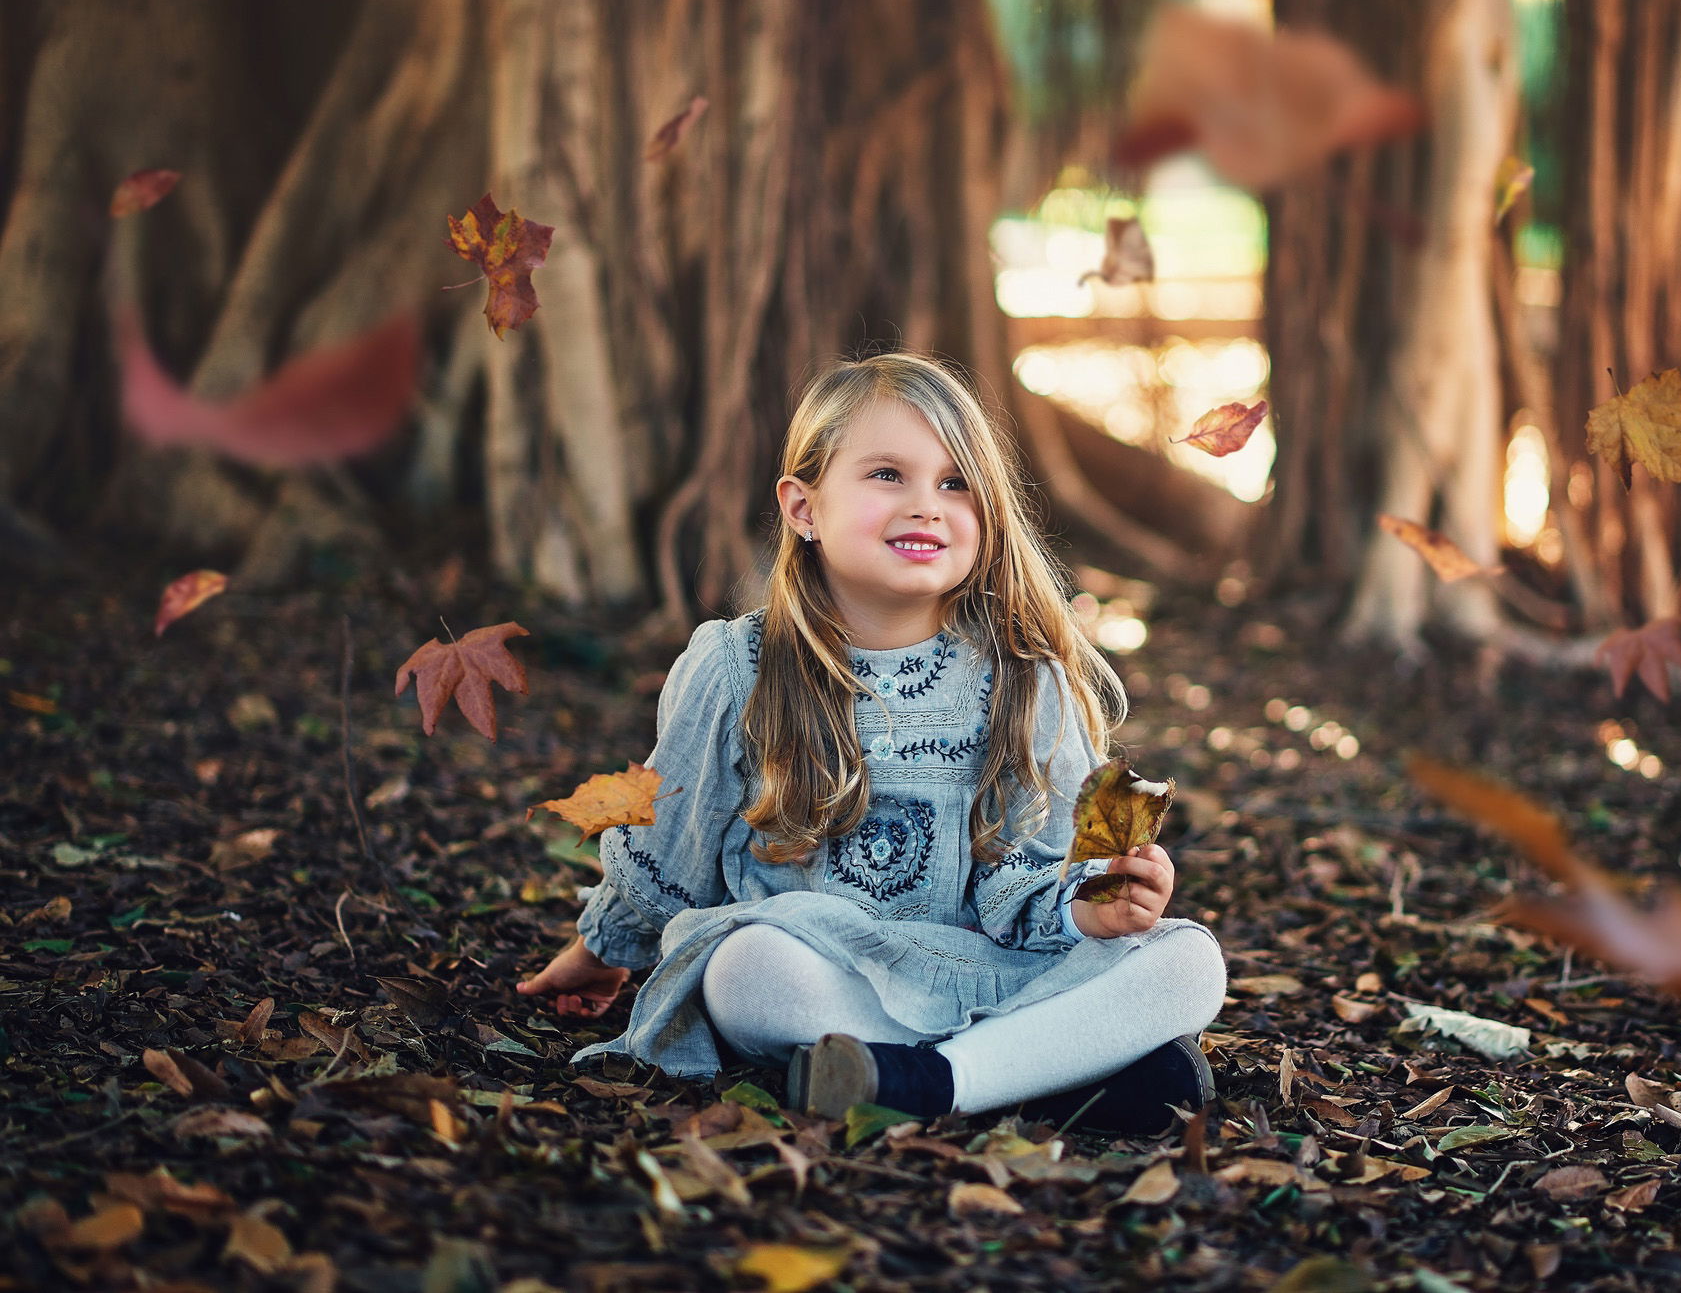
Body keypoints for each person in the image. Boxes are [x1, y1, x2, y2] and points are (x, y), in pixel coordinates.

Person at [513, 353, 1227, 1136]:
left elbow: (1041, 873)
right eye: (888, 473)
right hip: (825, 971)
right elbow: (668, 849)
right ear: (802, 507)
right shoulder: (737, 666)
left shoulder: (1027, 678)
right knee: (744, 969)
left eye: (957, 483)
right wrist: (603, 947)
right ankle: (1051, 1069)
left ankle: (928, 1082)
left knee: (1190, 960)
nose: (928, 505)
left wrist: (1097, 910)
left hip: (982, 967)